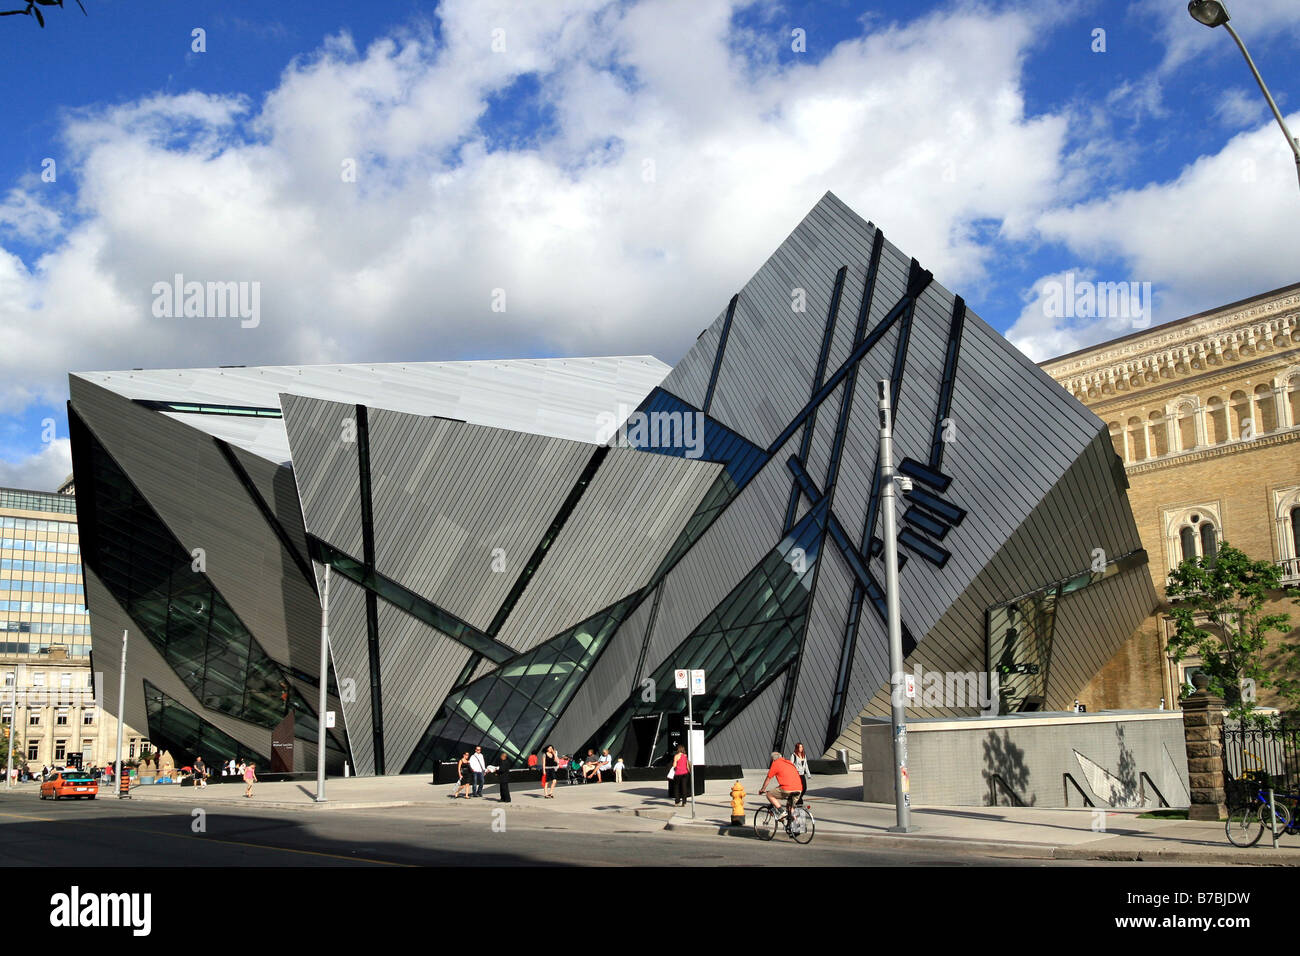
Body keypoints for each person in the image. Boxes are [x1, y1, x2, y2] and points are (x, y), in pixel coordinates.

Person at [758, 751, 803, 817]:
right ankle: (796, 824)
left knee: (769, 794)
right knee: (790, 808)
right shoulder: (789, 763)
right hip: (799, 789)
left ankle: (781, 811)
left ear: (773, 759)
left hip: (787, 789)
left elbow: (768, 778)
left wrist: (763, 789)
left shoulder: (776, 763)